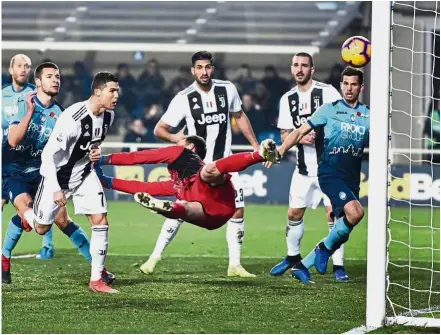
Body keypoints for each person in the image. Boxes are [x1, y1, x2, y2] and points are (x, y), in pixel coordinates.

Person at [147, 51, 261, 277]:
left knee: (237, 211)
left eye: (207, 67)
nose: (204, 72)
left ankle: (234, 265)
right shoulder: (183, 97)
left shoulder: (227, 89)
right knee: (180, 211)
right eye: (199, 67)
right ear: (193, 70)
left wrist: (256, 146)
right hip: (195, 168)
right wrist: (176, 139)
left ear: (213, 68)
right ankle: (154, 258)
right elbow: (159, 129)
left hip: (225, 164)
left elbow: (239, 116)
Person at [1, 62, 114, 285]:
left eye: (58, 76)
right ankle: (4, 257)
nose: (56, 80)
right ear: (38, 82)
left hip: (44, 171)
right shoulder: (23, 104)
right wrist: (31, 112)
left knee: (61, 220)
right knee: (28, 211)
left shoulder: (62, 114)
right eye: (50, 76)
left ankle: (98, 269)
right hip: (14, 170)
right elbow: (13, 141)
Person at [275, 66, 370, 283]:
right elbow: (299, 131)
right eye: (345, 84)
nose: (349, 88)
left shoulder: (368, 115)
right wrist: (281, 150)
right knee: (355, 213)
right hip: (329, 173)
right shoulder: (329, 109)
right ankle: (324, 251)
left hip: (351, 176)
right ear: (341, 85)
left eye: (353, 84)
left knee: (344, 226)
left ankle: (304, 264)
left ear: (361, 87)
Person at [95, 137, 278, 230]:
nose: (176, 143)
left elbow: (139, 157)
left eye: (181, 141)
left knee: (207, 173)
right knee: (186, 207)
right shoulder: (175, 183)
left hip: (213, 195)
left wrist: (103, 160)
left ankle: (260, 155)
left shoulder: (182, 154)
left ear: (190, 147)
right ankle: (167, 208)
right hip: (217, 215)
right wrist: (107, 182)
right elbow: (144, 188)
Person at [1, 55, 54, 260]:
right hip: (7, 156)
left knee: (40, 202)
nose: (24, 70)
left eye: (27, 67)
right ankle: (4, 250)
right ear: (11, 69)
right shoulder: (3, 95)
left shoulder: (36, 94)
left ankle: (47, 246)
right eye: (20, 66)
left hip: (30, 158)